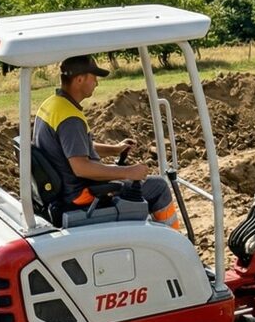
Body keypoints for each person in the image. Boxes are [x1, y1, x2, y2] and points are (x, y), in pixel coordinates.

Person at [32, 54, 182, 230]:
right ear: (80, 79)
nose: (97, 83)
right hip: (81, 196)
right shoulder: (70, 119)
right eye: (94, 77)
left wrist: (115, 150)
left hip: (64, 190)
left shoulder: (53, 106)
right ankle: (173, 240)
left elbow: (75, 149)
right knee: (158, 186)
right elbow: (81, 167)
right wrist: (128, 172)